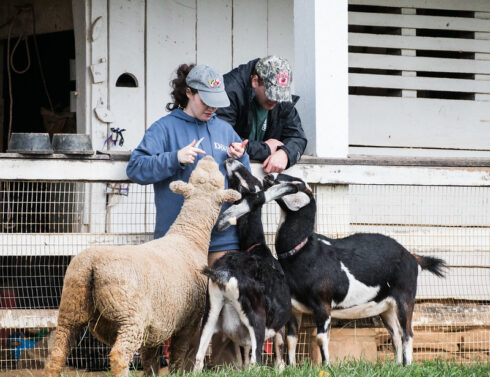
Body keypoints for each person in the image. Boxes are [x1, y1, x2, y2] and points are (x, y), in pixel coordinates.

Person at [126, 63, 249, 369]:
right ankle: (177, 369)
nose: (212, 107)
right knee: (180, 308)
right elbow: (136, 167)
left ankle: (225, 371)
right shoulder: (164, 128)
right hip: (178, 245)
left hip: (222, 236)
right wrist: (174, 158)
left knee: (227, 306)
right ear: (189, 92)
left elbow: (244, 166)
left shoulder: (223, 129)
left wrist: (239, 157)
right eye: (205, 100)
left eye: (216, 101)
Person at [216, 55, 307, 174]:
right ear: (255, 81)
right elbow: (222, 140)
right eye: (271, 94)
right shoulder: (230, 90)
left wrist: (285, 153)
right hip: (224, 171)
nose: (275, 100)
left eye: (280, 95)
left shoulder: (282, 100)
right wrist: (265, 149)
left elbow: (298, 137)